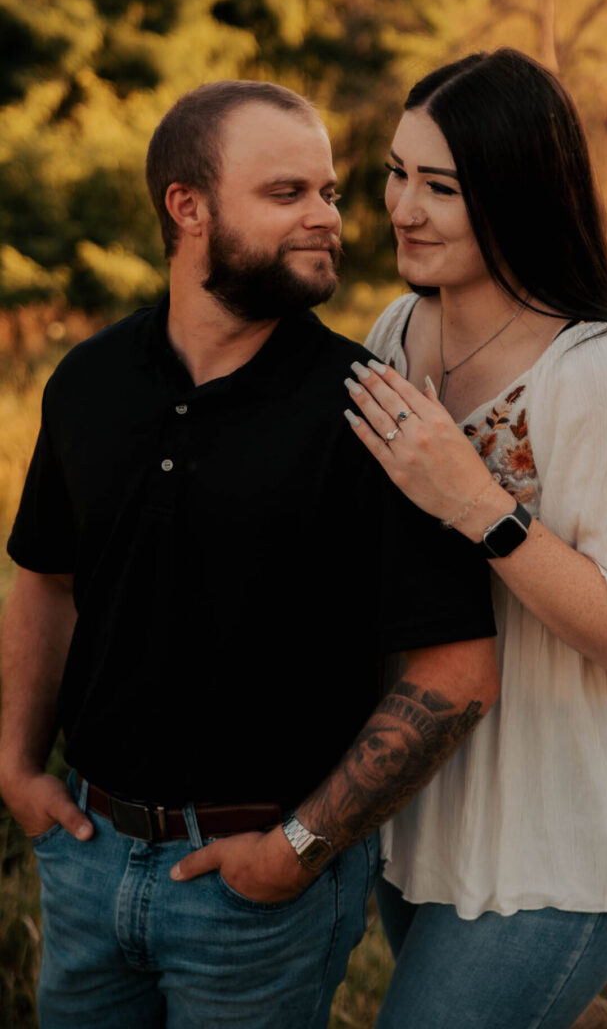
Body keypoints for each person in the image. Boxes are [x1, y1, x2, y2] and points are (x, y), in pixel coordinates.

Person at [0, 80, 500, 1029]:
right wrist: (16, 765)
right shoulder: (87, 381)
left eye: (329, 194)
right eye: (287, 195)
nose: (328, 218)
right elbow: (47, 581)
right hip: (82, 852)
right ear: (186, 208)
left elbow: (459, 671)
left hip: (255, 896)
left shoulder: (372, 411)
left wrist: (298, 849)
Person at [343, 49, 607, 1028]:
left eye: (441, 187)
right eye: (396, 173)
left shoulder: (601, 376)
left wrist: (481, 505)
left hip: (553, 820)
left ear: (516, 195)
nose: (402, 208)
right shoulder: (397, 330)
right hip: (427, 789)